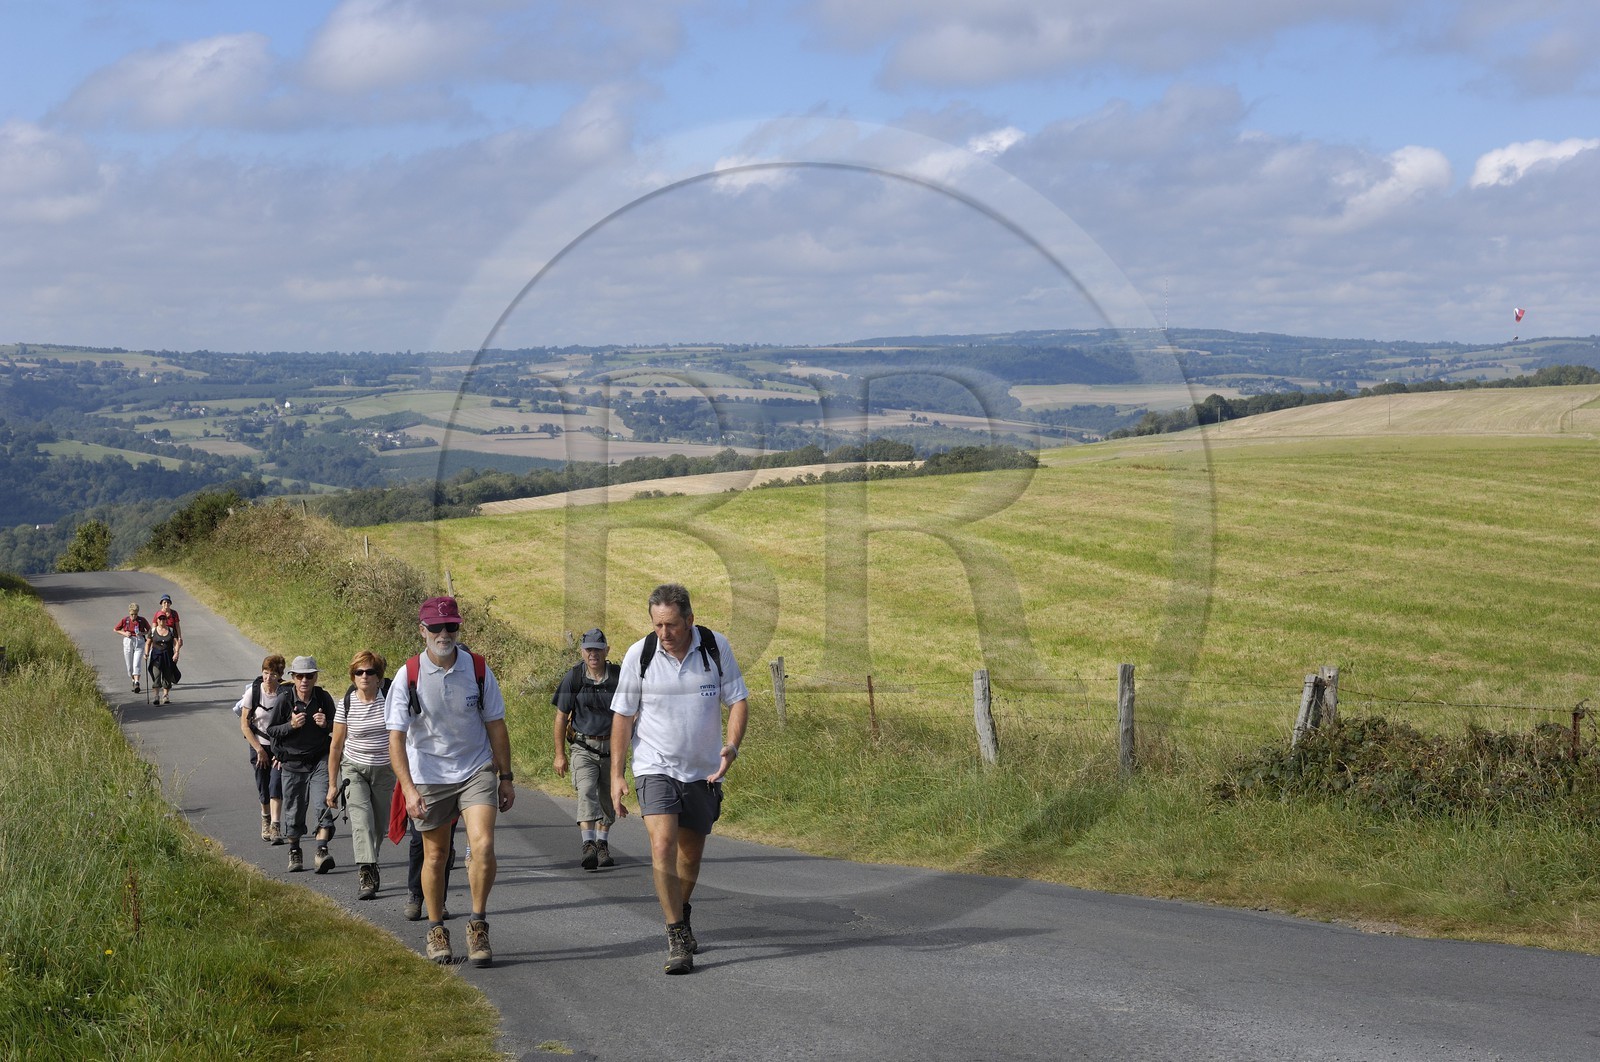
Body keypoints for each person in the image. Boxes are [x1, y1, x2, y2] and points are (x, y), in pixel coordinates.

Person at [611, 583, 749, 975]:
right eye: (657, 625)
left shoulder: (714, 647)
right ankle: (675, 935)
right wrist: (616, 775)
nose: (664, 634)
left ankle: (681, 912)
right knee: (663, 844)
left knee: (690, 855)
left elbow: (737, 700)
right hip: (655, 765)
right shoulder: (641, 654)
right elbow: (622, 715)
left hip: (703, 770)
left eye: (671, 625)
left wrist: (732, 747)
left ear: (689, 619)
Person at [386, 596, 514, 967]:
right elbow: (396, 736)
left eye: (452, 627)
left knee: (484, 845)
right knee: (436, 855)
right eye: (437, 628)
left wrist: (505, 777)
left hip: (475, 769)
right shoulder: (408, 674)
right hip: (429, 775)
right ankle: (436, 928)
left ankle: (477, 923)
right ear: (422, 631)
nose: (445, 634)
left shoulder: (476, 668)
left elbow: (496, 724)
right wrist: (408, 789)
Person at [328, 650, 395, 902]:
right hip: (353, 768)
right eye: (359, 672)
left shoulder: (390, 700)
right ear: (353, 676)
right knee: (361, 819)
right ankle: (366, 871)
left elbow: (404, 738)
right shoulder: (346, 703)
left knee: (379, 826)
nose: (364, 676)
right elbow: (335, 746)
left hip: (385, 769)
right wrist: (332, 785)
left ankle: (372, 861)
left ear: (379, 677)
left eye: (370, 672)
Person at [552, 627, 619, 871]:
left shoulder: (617, 677)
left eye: (598, 649)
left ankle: (602, 845)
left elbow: (632, 712)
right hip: (583, 746)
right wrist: (560, 754)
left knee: (608, 797)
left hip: (612, 747)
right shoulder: (574, 677)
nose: (594, 654)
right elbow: (561, 717)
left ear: (606, 651)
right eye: (589, 649)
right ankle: (588, 844)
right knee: (587, 790)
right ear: (582, 651)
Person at [266, 655, 338, 874]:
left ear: (315, 677)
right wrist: (290, 725)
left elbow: (339, 728)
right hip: (292, 763)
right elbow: (272, 731)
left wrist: (326, 724)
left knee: (321, 804)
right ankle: (295, 850)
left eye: (309, 676)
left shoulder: (323, 698)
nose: (304, 680)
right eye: (300, 676)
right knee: (294, 811)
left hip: (319, 760)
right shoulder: (284, 700)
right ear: (293, 678)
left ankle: (321, 850)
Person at [234, 654, 288, 843]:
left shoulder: (284, 693)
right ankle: (265, 819)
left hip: (278, 748)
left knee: (276, 784)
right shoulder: (254, 692)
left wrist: (281, 752)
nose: (268, 678)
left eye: (273, 674)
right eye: (265, 673)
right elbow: (245, 725)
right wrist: (258, 749)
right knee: (263, 786)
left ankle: (275, 826)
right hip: (258, 745)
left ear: (280, 675)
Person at [113, 602, 150, 693]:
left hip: (139, 641)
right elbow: (115, 629)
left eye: (135, 614)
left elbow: (149, 630)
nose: (134, 616)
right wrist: (124, 633)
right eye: (132, 614)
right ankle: (133, 680)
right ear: (129, 613)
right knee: (129, 666)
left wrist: (142, 633)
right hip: (128, 641)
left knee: (136, 663)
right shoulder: (125, 620)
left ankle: (137, 682)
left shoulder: (142, 620)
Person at [145, 615, 180, 705]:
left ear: (166, 620)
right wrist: (146, 653)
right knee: (156, 675)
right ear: (157, 620)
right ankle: (156, 696)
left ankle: (165, 695)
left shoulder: (171, 630)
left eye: (164, 619)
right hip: (156, 657)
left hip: (168, 656)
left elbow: (176, 643)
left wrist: (176, 652)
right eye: (160, 619)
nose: (162, 620)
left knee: (167, 676)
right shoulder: (153, 631)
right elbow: (148, 643)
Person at [153, 593, 183, 663]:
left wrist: (179, 637)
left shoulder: (174, 613)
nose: (166, 604)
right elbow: (154, 626)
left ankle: (172, 669)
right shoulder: (158, 614)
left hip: (173, 636)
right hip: (162, 635)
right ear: (161, 603)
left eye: (168, 602)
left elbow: (177, 626)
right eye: (164, 602)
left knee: (175, 655)